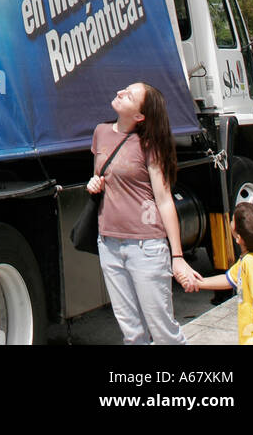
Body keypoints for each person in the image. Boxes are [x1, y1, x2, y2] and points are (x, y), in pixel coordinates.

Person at [87, 81, 202, 344]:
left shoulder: (150, 144)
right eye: (124, 89)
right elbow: (100, 176)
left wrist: (177, 256)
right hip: (109, 244)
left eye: (128, 95)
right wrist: (93, 184)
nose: (119, 92)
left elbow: (163, 200)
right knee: (132, 333)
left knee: (163, 331)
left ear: (139, 116)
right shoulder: (101, 132)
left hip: (146, 247)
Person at [196, 201, 253, 344]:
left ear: (239, 238)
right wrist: (200, 283)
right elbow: (229, 279)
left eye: (232, 220)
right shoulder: (251, 257)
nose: (230, 221)